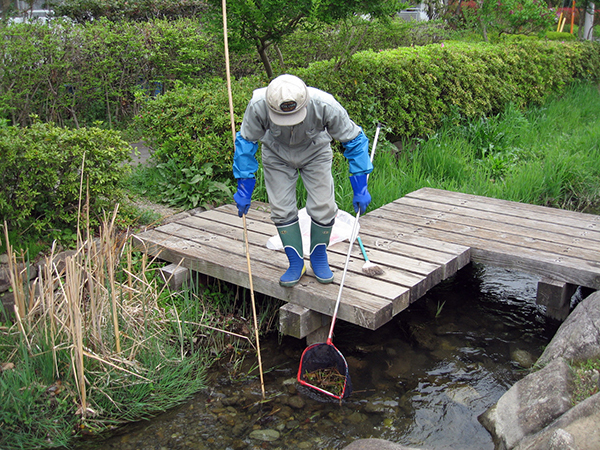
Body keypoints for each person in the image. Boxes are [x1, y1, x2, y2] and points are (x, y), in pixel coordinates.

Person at [232, 74, 373, 287]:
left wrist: (360, 185)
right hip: (276, 153)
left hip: (315, 151)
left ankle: (318, 258)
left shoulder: (325, 104)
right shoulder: (258, 106)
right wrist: (244, 186)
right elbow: (246, 143)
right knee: (280, 208)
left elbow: (354, 140)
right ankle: (296, 263)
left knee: (323, 204)